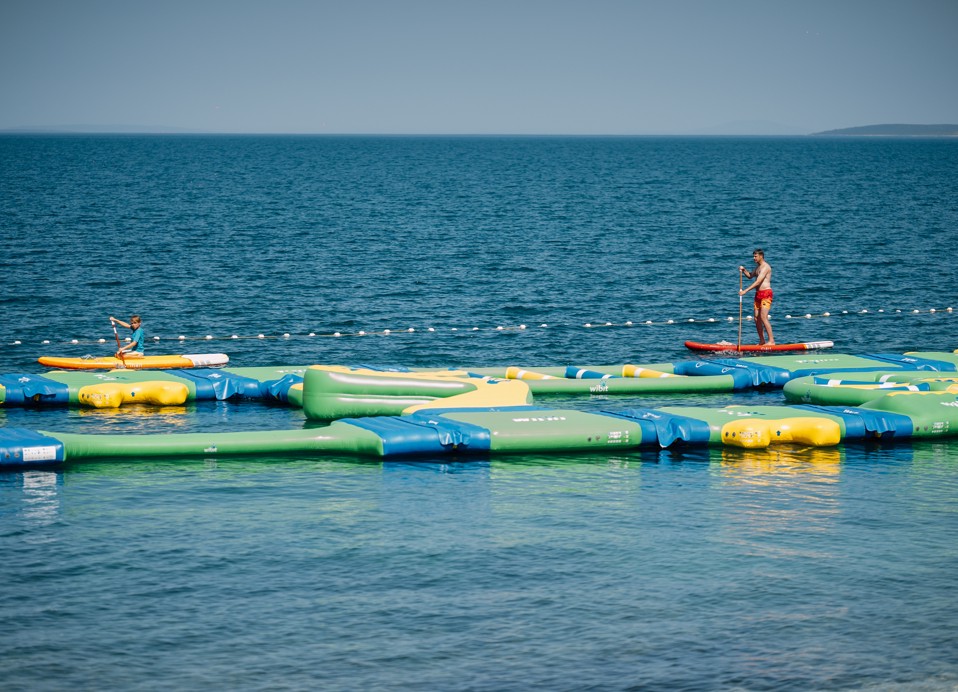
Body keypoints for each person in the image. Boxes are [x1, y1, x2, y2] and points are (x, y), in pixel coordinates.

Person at [739, 249, 775, 345]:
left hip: (766, 294)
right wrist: (744, 270)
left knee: (763, 317)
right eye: (753, 256)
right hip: (758, 294)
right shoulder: (757, 267)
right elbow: (750, 276)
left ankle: (771, 341)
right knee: (756, 318)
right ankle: (762, 340)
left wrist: (745, 291)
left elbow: (758, 281)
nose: (753, 258)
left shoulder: (765, 267)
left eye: (755, 256)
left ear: (761, 256)